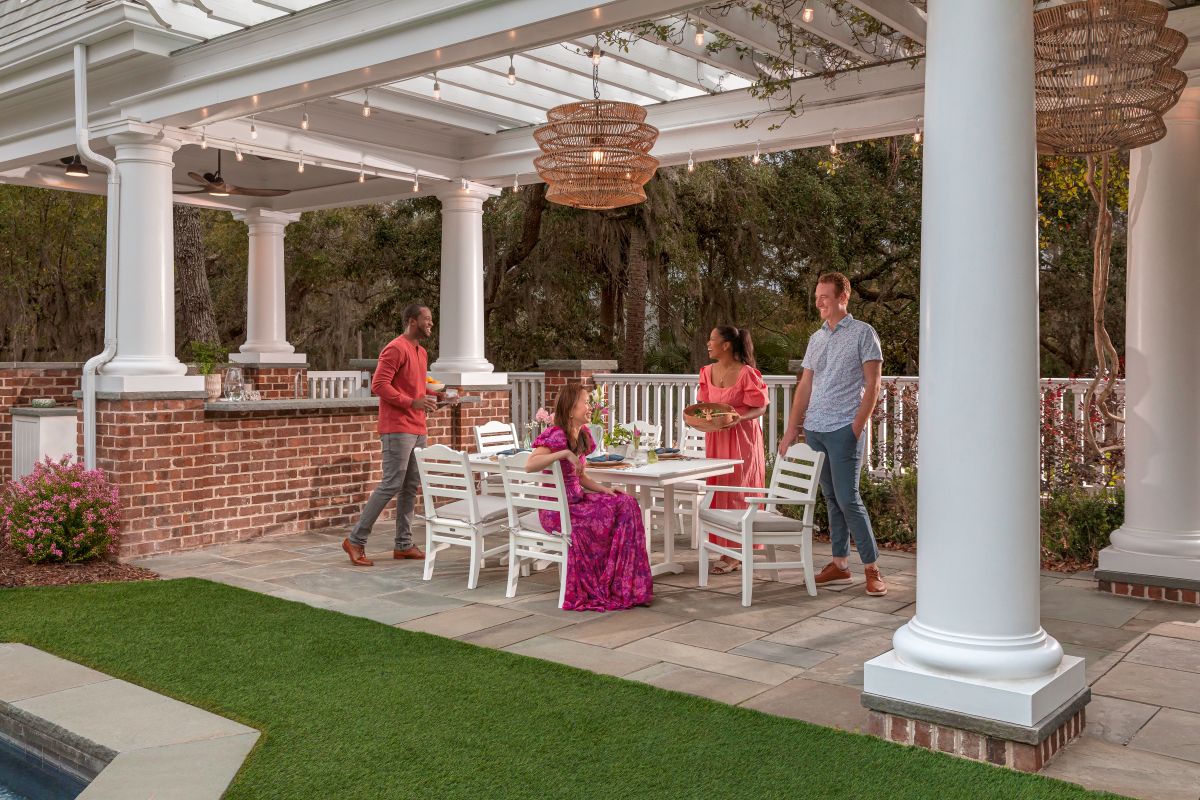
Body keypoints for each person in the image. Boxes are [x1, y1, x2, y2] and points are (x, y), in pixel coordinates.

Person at [778, 272, 887, 596]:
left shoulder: (863, 334)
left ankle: (872, 567)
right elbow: (806, 385)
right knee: (831, 499)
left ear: (843, 297)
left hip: (843, 429)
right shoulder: (817, 338)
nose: (819, 302)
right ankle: (840, 564)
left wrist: (856, 427)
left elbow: (873, 385)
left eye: (824, 296)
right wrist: (792, 431)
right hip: (815, 429)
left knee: (848, 499)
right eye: (817, 297)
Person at [525, 383, 653, 611]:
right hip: (557, 511)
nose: (589, 407)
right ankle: (608, 582)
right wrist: (563, 453)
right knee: (608, 516)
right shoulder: (556, 435)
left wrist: (605, 489)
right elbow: (530, 465)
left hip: (576, 502)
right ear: (571, 407)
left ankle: (626, 585)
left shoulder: (581, 434)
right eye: (585, 402)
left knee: (626, 503)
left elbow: (579, 477)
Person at [342, 304, 439, 566]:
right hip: (397, 428)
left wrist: (441, 395)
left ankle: (404, 544)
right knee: (392, 483)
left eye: (431, 319)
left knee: (410, 486)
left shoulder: (421, 352)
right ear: (411, 321)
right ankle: (356, 540)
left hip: (418, 428)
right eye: (427, 319)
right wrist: (412, 403)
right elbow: (379, 385)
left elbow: (418, 388)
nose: (431, 323)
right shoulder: (396, 348)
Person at [698, 325, 770, 575]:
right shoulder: (707, 372)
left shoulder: (747, 373)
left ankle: (738, 551)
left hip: (742, 439)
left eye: (712, 339)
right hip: (717, 437)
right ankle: (724, 549)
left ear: (726, 345)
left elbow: (761, 407)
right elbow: (704, 404)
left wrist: (740, 418)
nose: (708, 344)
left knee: (740, 491)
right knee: (718, 489)